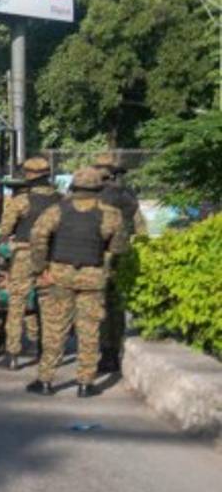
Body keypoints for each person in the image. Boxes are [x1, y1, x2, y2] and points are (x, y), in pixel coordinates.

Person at [27, 167, 128, 398]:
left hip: (59, 277)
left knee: (54, 330)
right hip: (93, 278)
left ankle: (45, 380)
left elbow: (37, 236)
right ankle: (86, 383)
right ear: (99, 188)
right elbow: (119, 247)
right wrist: (107, 264)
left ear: (73, 186)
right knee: (89, 331)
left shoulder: (57, 210)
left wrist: (40, 268)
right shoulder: (111, 214)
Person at [0, 156, 59, 371]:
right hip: (52, 255)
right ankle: (46, 351)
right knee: (48, 305)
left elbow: (6, 230)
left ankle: (12, 354)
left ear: (28, 176)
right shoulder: (62, 200)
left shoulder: (21, 201)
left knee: (17, 303)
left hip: (24, 254)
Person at [94, 152, 147, 374]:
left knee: (100, 303)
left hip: (98, 254)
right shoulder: (128, 195)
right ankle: (113, 351)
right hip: (122, 253)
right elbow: (140, 227)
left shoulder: (93, 194)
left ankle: (105, 351)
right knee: (115, 304)